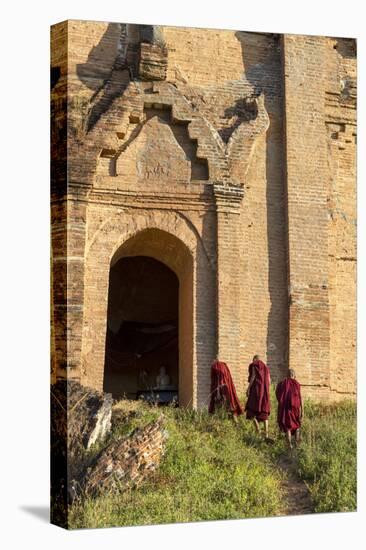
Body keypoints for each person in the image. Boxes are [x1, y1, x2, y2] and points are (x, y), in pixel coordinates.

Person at [275, 369, 303, 449]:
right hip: (295, 409)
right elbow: (300, 398)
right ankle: (297, 445)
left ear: (287, 375)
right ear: (294, 376)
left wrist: (282, 404)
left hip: (286, 408)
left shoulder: (282, 384)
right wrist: (302, 411)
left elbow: (278, 395)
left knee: (288, 427)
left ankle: (289, 445)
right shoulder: (297, 384)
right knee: (297, 425)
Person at [245, 355, 271, 439]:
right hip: (265, 392)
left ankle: (258, 430)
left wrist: (248, 388)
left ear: (255, 359)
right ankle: (266, 434)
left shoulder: (255, 365)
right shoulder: (266, 368)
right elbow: (269, 381)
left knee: (250, 411)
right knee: (264, 412)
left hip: (256, 391)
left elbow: (253, 377)